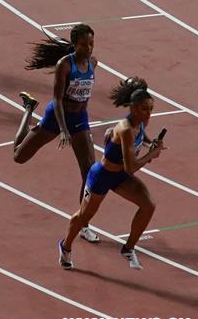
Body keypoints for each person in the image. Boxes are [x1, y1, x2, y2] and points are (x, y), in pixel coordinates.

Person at [58, 78, 166, 271]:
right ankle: (65, 246)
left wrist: (151, 144)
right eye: (144, 109)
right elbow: (130, 167)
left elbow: (141, 135)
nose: (149, 113)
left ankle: (128, 248)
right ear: (133, 108)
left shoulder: (141, 122)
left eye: (151, 109)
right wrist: (152, 154)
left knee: (148, 205)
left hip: (120, 178)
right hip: (103, 176)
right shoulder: (125, 130)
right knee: (84, 216)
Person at [13, 24, 100, 244]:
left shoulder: (93, 63)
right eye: (83, 44)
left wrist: (74, 128)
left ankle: (83, 224)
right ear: (74, 44)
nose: (88, 48)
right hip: (57, 117)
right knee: (19, 156)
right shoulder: (64, 65)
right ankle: (29, 109)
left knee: (90, 171)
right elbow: (59, 99)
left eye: (91, 44)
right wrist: (62, 129)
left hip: (80, 119)